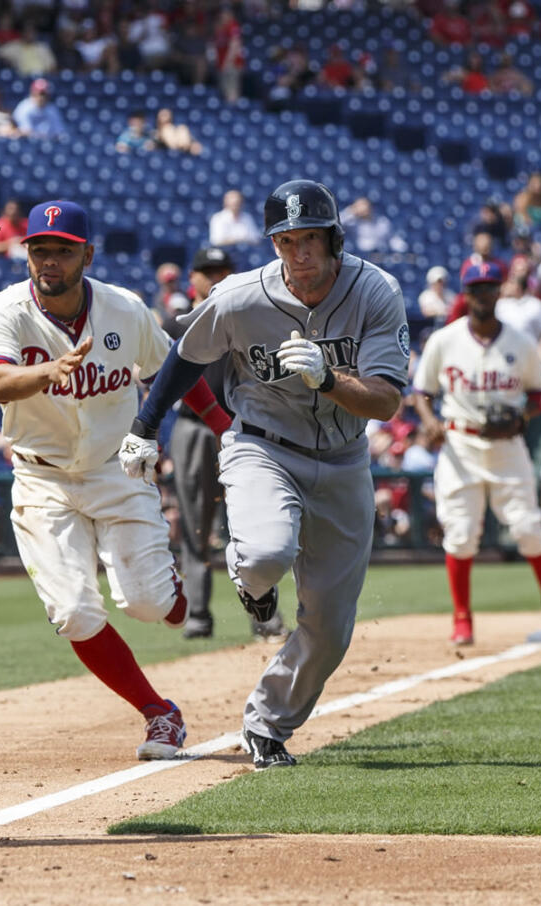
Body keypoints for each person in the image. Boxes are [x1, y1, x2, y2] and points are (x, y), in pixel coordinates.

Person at [119, 180, 410, 770]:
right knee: (262, 555)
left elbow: (384, 402)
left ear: (332, 239)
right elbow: (186, 352)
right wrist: (145, 425)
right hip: (263, 445)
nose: (299, 253)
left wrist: (329, 379)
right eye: (286, 240)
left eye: (310, 239)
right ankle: (253, 588)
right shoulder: (242, 295)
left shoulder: (376, 290)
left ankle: (266, 725)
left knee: (330, 628)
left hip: (345, 457)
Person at [0, 200, 233, 761]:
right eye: (39, 249)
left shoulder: (124, 308)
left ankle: (171, 595)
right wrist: (45, 371)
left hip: (118, 470)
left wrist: (225, 430)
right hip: (43, 481)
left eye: (63, 250)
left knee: (147, 604)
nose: (49, 261)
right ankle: (159, 713)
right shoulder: (3, 311)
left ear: (87, 254)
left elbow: (174, 373)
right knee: (75, 613)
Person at [412, 261, 541, 645]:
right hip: (460, 446)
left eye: (489, 286)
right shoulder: (445, 340)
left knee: (529, 529)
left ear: (499, 290)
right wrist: (429, 422)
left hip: (507, 447)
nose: (483, 294)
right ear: (466, 293)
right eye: (476, 287)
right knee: (461, 533)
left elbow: (540, 394)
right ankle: (462, 617)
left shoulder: (520, 342)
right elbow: (422, 392)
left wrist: (520, 417)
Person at [162, 246, 290, 642]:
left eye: (223, 269)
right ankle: (199, 614)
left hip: (242, 427)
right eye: (208, 270)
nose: (216, 276)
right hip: (192, 429)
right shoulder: (178, 324)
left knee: (251, 521)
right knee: (196, 526)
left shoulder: (247, 317)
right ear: (193, 278)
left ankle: (264, 616)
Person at [339, 197, 407, 256]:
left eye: (365, 205)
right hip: (359, 255)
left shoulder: (381, 221)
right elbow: (336, 224)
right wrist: (351, 211)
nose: (363, 209)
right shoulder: (352, 223)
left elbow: (391, 238)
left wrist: (402, 249)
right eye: (359, 206)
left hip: (378, 255)